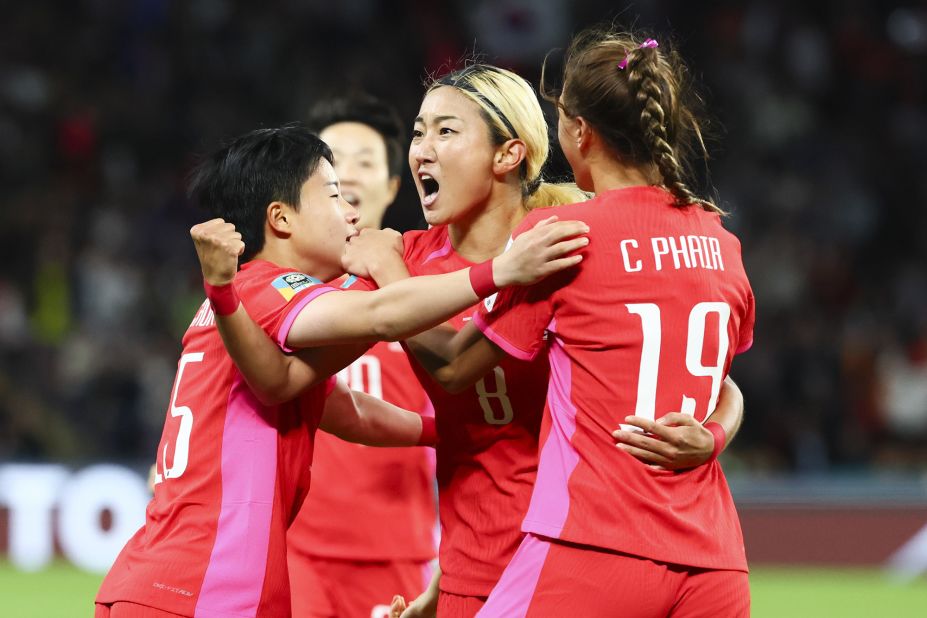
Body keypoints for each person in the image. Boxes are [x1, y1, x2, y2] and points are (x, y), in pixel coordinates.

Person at [201, 65, 745, 618]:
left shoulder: (572, 239)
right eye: (417, 132)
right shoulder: (403, 258)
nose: (422, 150)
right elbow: (287, 378)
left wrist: (713, 436)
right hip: (475, 569)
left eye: (445, 131)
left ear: (508, 155)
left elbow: (717, 381)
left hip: (585, 553)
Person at [94, 124, 588, 618]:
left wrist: (451, 432)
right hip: (208, 585)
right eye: (333, 196)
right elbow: (383, 315)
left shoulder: (238, 306)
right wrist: (501, 271)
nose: (352, 211)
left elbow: (338, 406)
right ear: (281, 218)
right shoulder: (273, 291)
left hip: (152, 578)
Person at [392, 30, 755, 617]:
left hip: (595, 540)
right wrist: (714, 436)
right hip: (714, 557)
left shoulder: (566, 238)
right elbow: (721, 382)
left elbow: (455, 365)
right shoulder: (719, 238)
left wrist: (389, 276)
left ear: (579, 132)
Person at [287, 94, 437, 618]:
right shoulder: (285, 292)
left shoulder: (426, 285)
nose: (346, 174)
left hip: (401, 552)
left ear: (394, 184)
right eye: (332, 160)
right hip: (293, 546)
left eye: (365, 161)